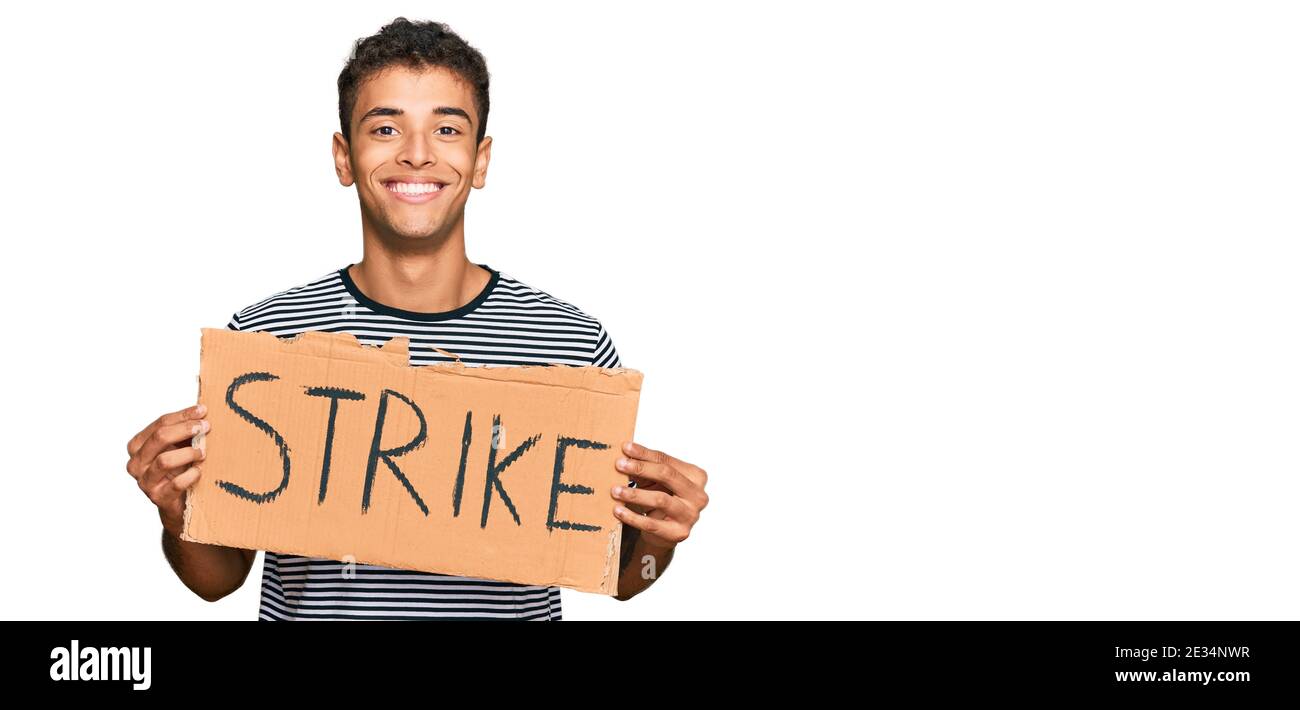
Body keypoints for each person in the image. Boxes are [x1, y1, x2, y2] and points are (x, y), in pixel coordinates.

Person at [124, 18, 709, 620]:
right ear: (343, 156)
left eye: (446, 128)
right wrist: (176, 513)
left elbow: (618, 575)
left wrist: (656, 544)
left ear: (480, 161)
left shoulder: (570, 343)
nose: (417, 153)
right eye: (385, 127)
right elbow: (217, 581)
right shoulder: (269, 339)